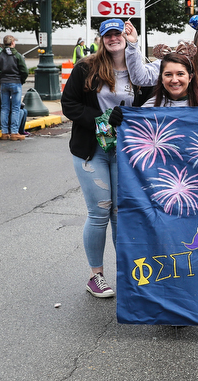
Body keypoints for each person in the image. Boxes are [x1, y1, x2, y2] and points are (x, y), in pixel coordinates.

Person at [61, 18, 154, 299]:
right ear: (101, 39)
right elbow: (69, 104)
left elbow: (153, 101)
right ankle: (96, 276)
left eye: (118, 34)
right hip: (92, 150)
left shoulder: (139, 69)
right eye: (108, 35)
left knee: (120, 214)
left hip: (127, 150)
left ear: (126, 37)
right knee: (100, 212)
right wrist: (100, 119)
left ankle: (125, 274)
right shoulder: (86, 68)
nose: (114, 38)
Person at [0, 35, 28, 141]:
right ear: (12, 42)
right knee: (15, 108)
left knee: (4, 108)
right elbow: (24, 71)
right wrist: (21, 80)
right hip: (15, 82)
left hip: (4, 83)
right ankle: (14, 132)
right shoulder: (17, 56)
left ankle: (4, 132)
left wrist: (0, 80)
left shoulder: (0, 55)